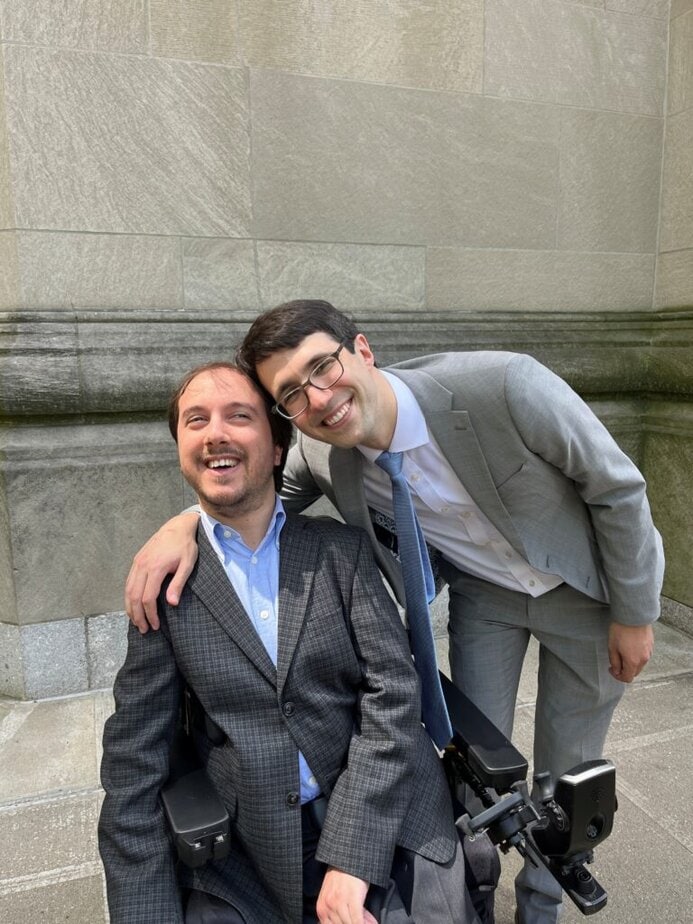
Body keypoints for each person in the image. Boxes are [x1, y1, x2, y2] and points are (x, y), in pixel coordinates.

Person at [125, 302, 665, 923]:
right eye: (293, 395)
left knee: (564, 778)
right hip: (486, 599)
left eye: (323, 368)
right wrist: (184, 525)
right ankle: (479, 878)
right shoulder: (323, 454)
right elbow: (244, 493)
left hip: (584, 592)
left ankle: (541, 909)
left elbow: (617, 488)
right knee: (476, 766)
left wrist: (634, 612)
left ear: (362, 349)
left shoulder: (506, 385)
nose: (320, 398)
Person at [99, 361, 482, 924]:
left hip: (380, 806)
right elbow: (134, 766)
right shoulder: (163, 585)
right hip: (247, 854)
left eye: (239, 416)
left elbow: (396, 695)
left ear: (278, 448)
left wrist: (352, 858)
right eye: (196, 420)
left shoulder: (340, 552)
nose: (216, 434)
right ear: (182, 447)